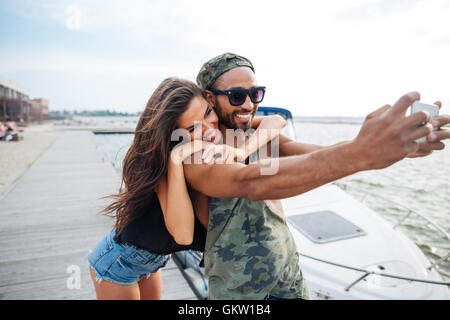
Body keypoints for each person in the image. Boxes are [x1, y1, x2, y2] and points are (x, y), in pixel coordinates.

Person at [182, 53, 450, 300]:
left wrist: (394, 149)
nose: (250, 104)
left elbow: (319, 153)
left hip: (289, 278)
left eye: (256, 93)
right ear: (209, 97)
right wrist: (361, 153)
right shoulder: (197, 153)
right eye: (237, 95)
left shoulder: (259, 136)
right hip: (238, 292)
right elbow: (252, 182)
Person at [87, 77, 288, 300]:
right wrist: (176, 158)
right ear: (175, 135)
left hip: (151, 261)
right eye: (192, 128)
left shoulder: (216, 133)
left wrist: (243, 151)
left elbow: (277, 121)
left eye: (207, 113)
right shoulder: (164, 168)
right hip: (118, 264)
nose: (208, 128)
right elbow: (183, 234)